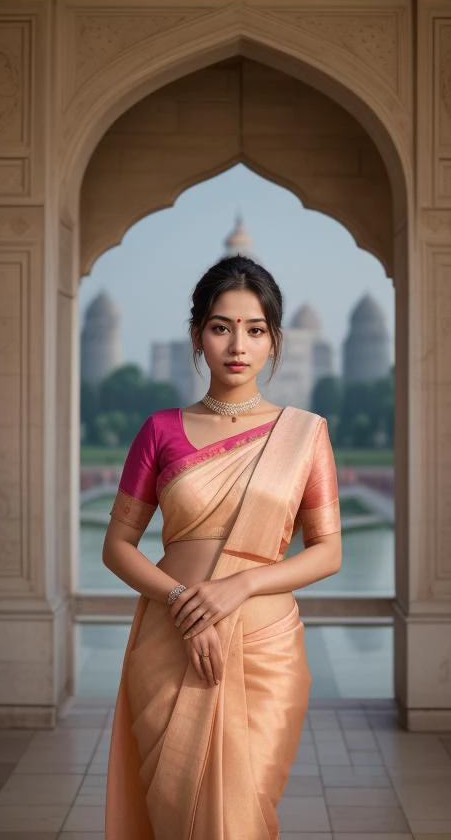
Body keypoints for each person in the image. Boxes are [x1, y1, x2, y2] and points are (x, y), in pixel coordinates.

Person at [103, 255, 342, 840]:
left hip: (265, 648)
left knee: (242, 815)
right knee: (172, 811)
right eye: (220, 326)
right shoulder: (160, 429)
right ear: (196, 336)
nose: (238, 344)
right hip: (169, 637)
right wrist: (184, 601)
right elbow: (117, 546)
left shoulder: (304, 433)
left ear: (275, 340)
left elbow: (328, 551)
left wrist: (243, 584)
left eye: (255, 329)